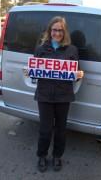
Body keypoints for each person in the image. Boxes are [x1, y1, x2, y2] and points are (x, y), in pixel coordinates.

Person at [33, 16, 84, 172]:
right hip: (44, 95)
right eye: (54, 30)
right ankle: (42, 155)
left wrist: (78, 74)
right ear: (50, 31)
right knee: (45, 129)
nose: (57, 33)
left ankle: (57, 156)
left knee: (61, 130)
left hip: (63, 95)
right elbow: (36, 71)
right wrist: (31, 72)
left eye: (60, 30)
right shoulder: (41, 49)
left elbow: (75, 71)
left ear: (64, 32)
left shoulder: (72, 50)